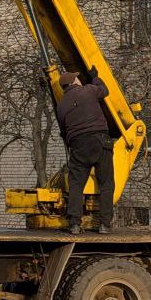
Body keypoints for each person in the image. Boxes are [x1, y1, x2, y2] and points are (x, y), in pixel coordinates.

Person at [55, 65, 115, 234]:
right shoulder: (88, 90)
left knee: (75, 185)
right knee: (106, 184)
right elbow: (105, 91)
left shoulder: (61, 106)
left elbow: (64, 131)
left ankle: (74, 224)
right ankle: (104, 225)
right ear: (75, 81)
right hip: (99, 141)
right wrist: (95, 77)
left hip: (78, 146)